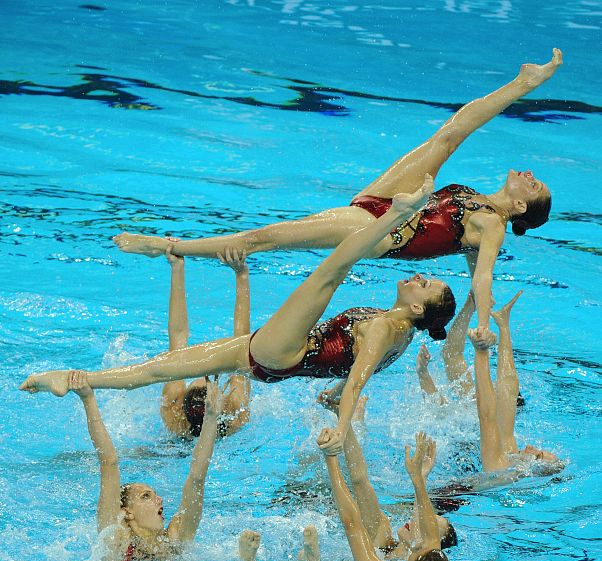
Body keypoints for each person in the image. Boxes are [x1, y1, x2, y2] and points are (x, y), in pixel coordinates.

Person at [114, 50, 562, 342]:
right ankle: (522, 83)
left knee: (267, 238)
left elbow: (481, 278)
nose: (529, 173)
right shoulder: (475, 199)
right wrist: (524, 85)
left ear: (521, 206)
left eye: (534, 184)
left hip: (385, 230)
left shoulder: (494, 225)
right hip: (390, 201)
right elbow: (461, 125)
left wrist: (481, 324)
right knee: (447, 138)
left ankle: (168, 247)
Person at [21, 183, 456, 456]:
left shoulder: (384, 327)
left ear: (419, 308)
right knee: (159, 368)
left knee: (334, 267)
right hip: (269, 361)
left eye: (426, 285)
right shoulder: (396, 341)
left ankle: (398, 213)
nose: (419, 276)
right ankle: (69, 378)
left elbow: (358, 377)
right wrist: (332, 397)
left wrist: (341, 426)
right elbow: (355, 373)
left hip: (287, 350)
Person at [65, 370, 221, 561]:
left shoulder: (175, 537)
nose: (160, 499)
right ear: (127, 512)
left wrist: (212, 417)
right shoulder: (117, 541)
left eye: (152, 495)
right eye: (146, 496)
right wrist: (88, 399)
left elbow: (197, 477)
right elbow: (109, 462)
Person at [320, 430, 452, 561]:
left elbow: (352, 524)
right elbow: (432, 541)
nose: (419, 545)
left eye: (415, 551)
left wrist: (331, 458)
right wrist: (418, 480)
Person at [317, 391, 457, 560]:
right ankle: (355, 420)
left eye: (427, 527)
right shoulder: (381, 534)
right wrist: (342, 419)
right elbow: (360, 480)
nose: (416, 522)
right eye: (423, 519)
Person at [160, 244, 250, 439]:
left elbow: (177, 337)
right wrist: (241, 274)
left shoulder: (172, 413)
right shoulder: (237, 413)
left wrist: (177, 268)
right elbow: (242, 337)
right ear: (222, 403)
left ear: (181, 404)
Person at [468, 292, 559, 473]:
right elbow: (508, 394)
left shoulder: (500, 469)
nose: (532, 446)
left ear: (533, 470)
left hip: (449, 497)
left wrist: (481, 352)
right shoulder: (511, 458)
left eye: (538, 455)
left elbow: (487, 417)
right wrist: (504, 327)